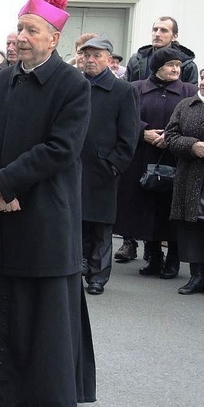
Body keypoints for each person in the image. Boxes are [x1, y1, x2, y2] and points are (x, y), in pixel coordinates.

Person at [0, 0, 96, 407]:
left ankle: (36, 397)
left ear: (54, 39)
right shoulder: (1, 81)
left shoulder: (72, 85)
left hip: (44, 213)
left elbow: (60, 148)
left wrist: (6, 183)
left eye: (31, 30)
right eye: (19, 28)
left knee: (38, 306)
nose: (21, 37)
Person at [114, 48, 198, 278]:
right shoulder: (136, 88)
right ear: (157, 66)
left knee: (171, 208)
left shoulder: (189, 91)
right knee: (146, 209)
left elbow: (196, 119)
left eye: (178, 66)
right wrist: (144, 132)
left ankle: (173, 258)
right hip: (143, 157)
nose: (175, 69)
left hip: (175, 158)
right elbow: (124, 117)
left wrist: (171, 137)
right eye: (170, 64)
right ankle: (153, 256)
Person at [78, 37, 139, 295]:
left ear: (109, 59)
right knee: (76, 220)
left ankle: (97, 276)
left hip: (103, 168)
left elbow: (130, 135)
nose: (90, 60)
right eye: (86, 55)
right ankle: (75, 267)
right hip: (74, 165)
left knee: (101, 225)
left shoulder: (123, 91)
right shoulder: (75, 86)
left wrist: (114, 164)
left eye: (97, 55)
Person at [166, 60, 204, 298]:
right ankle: (196, 277)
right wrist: (192, 145)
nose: (203, 82)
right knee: (191, 228)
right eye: (202, 78)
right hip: (188, 178)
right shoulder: (186, 105)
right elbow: (171, 135)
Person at [125, 16, 198, 85]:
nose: (157, 34)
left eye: (164, 30)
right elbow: (126, 88)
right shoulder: (136, 60)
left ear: (174, 36)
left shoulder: (187, 65)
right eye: (155, 30)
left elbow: (191, 95)